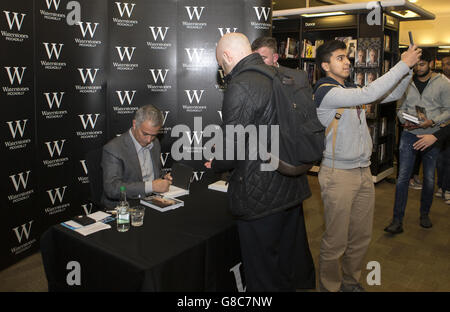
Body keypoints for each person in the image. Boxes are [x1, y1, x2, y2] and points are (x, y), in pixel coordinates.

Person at [205, 33, 312, 291]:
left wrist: (215, 163)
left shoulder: (241, 84)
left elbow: (231, 149)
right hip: (292, 186)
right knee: (284, 269)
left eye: (222, 64)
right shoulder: (283, 75)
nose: (223, 71)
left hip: (260, 197)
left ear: (228, 57)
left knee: (262, 276)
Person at [313, 39, 421, 292]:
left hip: (363, 172)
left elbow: (390, 94)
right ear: (325, 65)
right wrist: (403, 63)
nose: (347, 61)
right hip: (337, 174)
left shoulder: (349, 89)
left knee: (360, 237)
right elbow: (369, 93)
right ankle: (329, 287)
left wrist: (408, 70)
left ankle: (350, 282)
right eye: (340, 58)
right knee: (336, 239)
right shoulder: (325, 90)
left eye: (347, 57)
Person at [251, 36, 316, 289]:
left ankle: (293, 278)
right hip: (266, 170)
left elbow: (304, 121)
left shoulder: (295, 79)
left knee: (291, 232)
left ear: (275, 58)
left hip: (290, 166)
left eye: (263, 58)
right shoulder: (253, 80)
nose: (258, 63)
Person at [385, 49, 450, 234]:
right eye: (414, 65)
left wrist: (433, 121)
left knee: (429, 179)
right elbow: (399, 107)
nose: (417, 68)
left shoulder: (443, 84)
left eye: (421, 64)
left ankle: (424, 214)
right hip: (409, 134)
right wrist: (403, 119)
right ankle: (397, 220)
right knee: (402, 178)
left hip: (432, 136)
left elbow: (448, 109)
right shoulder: (407, 81)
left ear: (430, 63)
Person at [101, 104, 172, 208]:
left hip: (152, 201)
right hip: (124, 207)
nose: (149, 140)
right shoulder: (114, 149)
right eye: (145, 134)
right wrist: (151, 186)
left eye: (153, 135)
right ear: (135, 124)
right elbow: (112, 189)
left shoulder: (155, 143)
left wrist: (163, 177)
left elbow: (152, 172)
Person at [414, 125, 450, 204]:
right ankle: (441, 187)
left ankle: (447, 189)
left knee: (448, 162)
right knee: (440, 161)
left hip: (444, 130)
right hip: (439, 130)